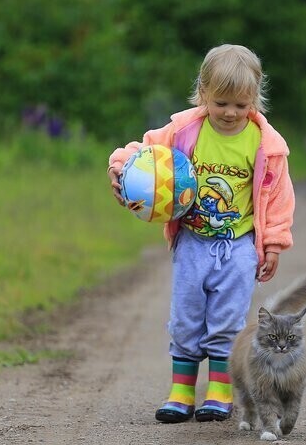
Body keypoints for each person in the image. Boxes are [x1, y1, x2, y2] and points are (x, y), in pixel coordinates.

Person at [107, 44, 296, 423]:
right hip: (193, 242)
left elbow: (277, 196)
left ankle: (219, 392)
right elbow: (145, 152)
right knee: (186, 317)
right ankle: (181, 391)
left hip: (239, 246)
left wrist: (273, 242)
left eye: (241, 105)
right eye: (221, 102)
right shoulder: (185, 130)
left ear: (254, 100)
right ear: (204, 93)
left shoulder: (266, 146)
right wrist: (122, 168)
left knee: (227, 319)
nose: (230, 113)